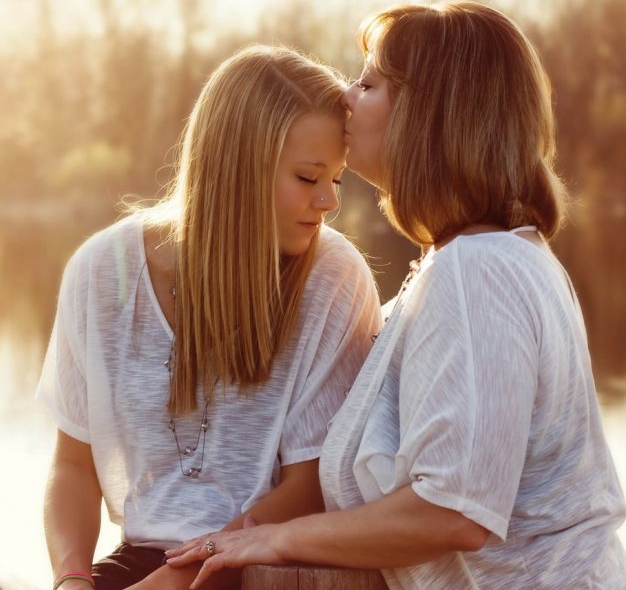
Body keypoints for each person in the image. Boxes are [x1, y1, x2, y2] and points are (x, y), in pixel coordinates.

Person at [166, 3, 626, 589]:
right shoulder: (474, 261)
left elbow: (452, 510)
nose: (345, 95)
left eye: (369, 83)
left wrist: (265, 541)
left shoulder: (480, 271)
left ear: (429, 116)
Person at [37, 45, 382, 590]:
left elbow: (313, 486)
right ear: (237, 169)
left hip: (270, 564)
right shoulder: (101, 271)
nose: (329, 203)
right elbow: (73, 466)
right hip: (143, 561)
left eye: (335, 180)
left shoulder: (335, 278)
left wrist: (184, 577)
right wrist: (72, 579)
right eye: (308, 177)